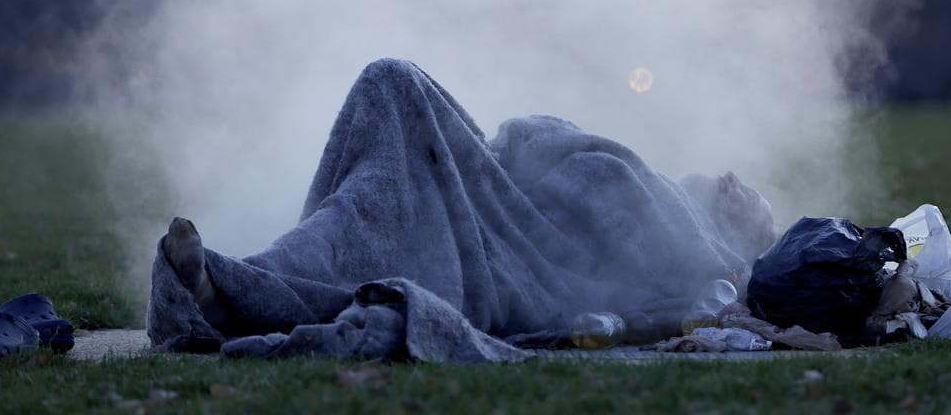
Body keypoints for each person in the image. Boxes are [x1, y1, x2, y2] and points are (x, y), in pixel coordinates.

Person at [150, 58, 775, 353]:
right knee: (376, 147)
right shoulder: (662, 187)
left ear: (734, 234)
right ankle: (237, 282)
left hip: (506, 247)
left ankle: (232, 292)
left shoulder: (697, 249)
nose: (734, 183)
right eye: (735, 183)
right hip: (486, 189)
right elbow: (531, 139)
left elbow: (681, 265)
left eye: (746, 202)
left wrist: (736, 257)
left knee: (377, 182)